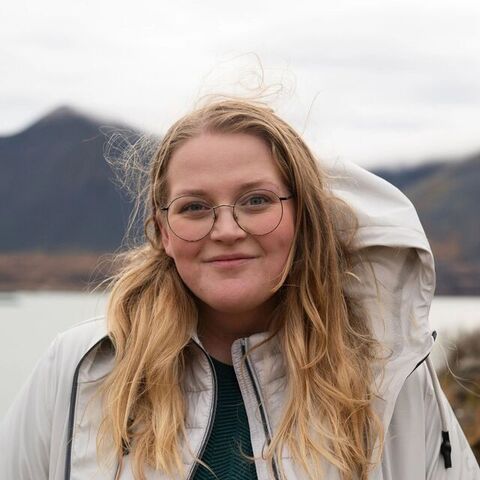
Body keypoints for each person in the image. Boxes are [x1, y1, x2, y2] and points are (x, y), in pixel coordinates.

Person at [1, 98, 479, 480]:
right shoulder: (80, 369)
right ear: (162, 232)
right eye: (194, 207)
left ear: (303, 217)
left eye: (256, 200)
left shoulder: (388, 379)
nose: (227, 229)